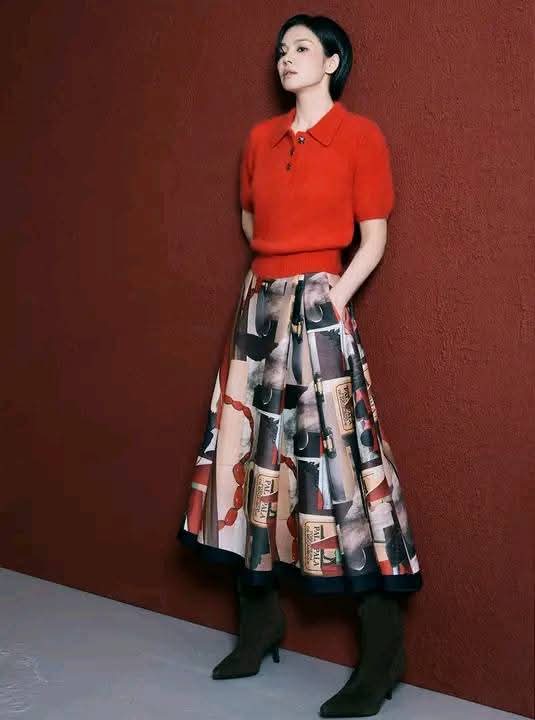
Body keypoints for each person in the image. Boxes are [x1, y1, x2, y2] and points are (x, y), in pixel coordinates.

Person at [177, 12, 423, 718]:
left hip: (318, 307)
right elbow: (252, 220)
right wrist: (268, 284)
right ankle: (258, 627)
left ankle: (382, 656)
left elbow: (372, 237)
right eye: (282, 48)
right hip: (257, 305)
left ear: (332, 62)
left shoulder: (359, 136)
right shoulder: (260, 139)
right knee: (248, 455)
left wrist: (329, 298)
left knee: (339, 466)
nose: (286, 57)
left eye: (303, 48)